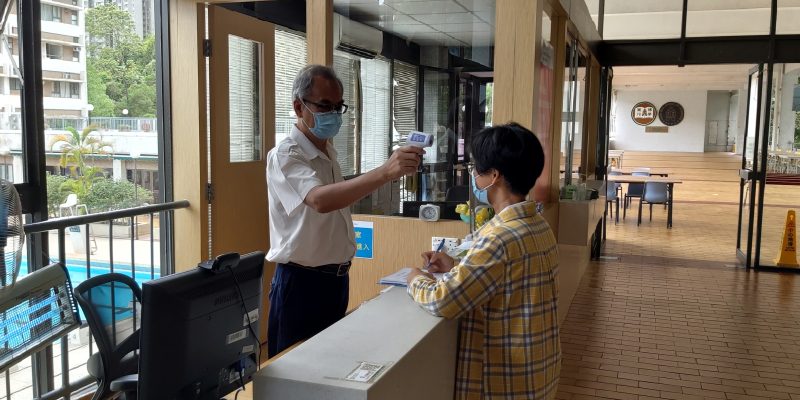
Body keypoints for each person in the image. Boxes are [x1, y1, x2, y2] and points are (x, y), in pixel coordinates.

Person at [266, 64, 423, 358]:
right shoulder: (287, 154)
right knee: (293, 373)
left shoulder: (327, 151)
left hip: (336, 281)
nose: (334, 115)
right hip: (301, 284)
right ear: (299, 107)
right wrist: (385, 173)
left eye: (339, 107)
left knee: (330, 366)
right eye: (325, 106)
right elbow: (320, 201)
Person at [406, 123, 561, 399]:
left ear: (494, 176)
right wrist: (455, 266)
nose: (473, 176)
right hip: (537, 371)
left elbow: (444, 299)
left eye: (476, 169)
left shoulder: (500, 237)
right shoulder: (538, 225)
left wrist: (415, 278)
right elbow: (509, 278)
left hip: (505, 382)